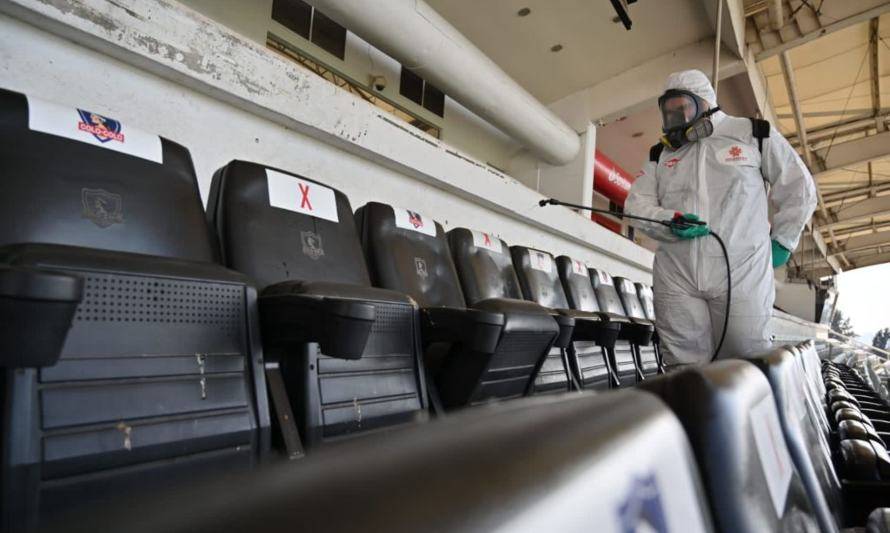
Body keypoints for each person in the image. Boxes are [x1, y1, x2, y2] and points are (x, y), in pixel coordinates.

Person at [625, 69, 817, 365]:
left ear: (705, 103)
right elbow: (636, 206)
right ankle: (688, 412)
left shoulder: (754, 134)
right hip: (677, 275)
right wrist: (667, 219)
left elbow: (800, 187)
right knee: (682, 367)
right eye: (669, 109)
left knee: (744, 365)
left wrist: (782, 242)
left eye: (683, 106)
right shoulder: (660, 155)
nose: (676, 115)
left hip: (741, 273)